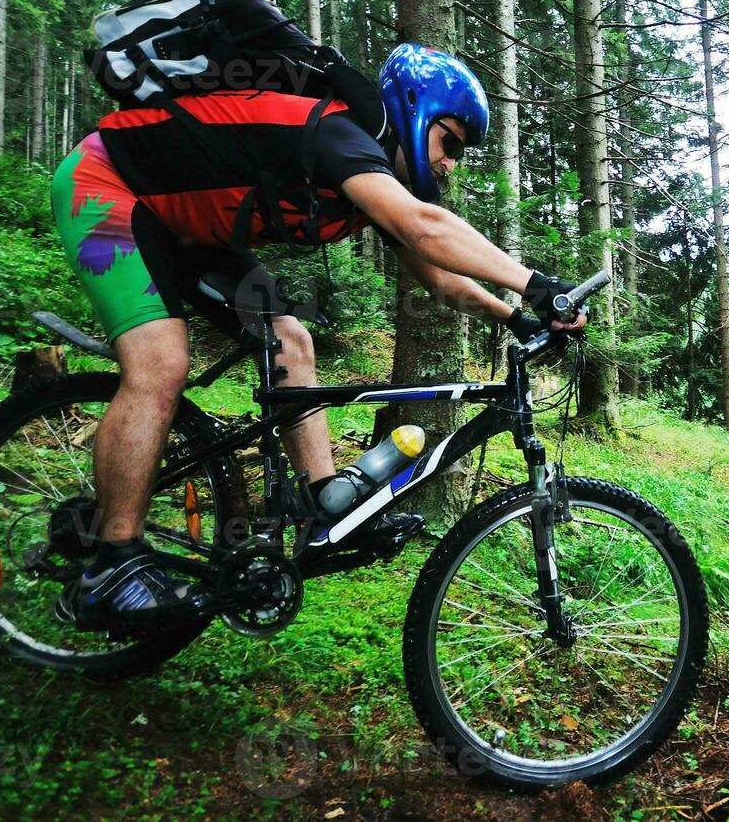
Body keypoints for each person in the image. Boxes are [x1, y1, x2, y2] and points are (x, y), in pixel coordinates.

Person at [48, 43, 580, 630]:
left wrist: (515, 318)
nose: (451, 163)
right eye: (449, 142)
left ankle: (319, 504)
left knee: (290, 341)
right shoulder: (340, 136)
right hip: (109, 185)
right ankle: (111, 565)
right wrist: (536, 285)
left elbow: (438, 278)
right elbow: (426, 228)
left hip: (187, 229)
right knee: (160, 364)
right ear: (415, 113)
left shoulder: (367, 175)